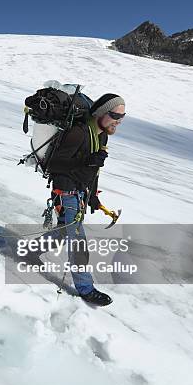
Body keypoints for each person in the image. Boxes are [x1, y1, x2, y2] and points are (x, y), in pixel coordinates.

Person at [46, 93, 126, 306]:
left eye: (122, 116)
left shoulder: (101, 136)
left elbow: (93, 171)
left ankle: (27, 252)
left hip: (80, 192)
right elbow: (54, 165)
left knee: (63, 232)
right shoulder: (78, 133)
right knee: (78, 243)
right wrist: (86, 161)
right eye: (115, 115)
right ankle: (86, 289)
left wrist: (92, 197)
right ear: (101, 113)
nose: (119, 120)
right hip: (66, 193)